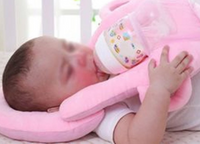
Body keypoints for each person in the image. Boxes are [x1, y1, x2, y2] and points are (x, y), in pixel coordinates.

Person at [2, 35, 196, 144]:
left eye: (69, 46)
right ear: (58, 106)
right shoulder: (103, 111)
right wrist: (159, 89)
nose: (79, 56)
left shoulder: (113, 52)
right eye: (68, 71)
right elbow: (137, 139)